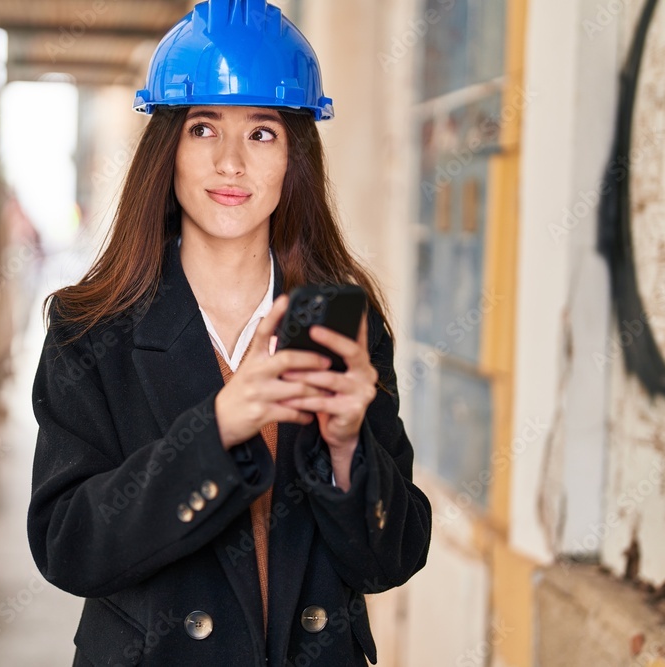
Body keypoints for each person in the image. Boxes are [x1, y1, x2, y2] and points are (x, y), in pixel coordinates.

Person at [27, 1, 432, 664]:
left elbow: (396, 554)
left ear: (293, 156)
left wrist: (346, 449)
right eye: (204, 128)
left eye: (263, 133)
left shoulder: (343, 326)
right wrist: (214, 433)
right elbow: (69, 545)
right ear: (169, 149)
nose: (231, 163)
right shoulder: (90, 329)